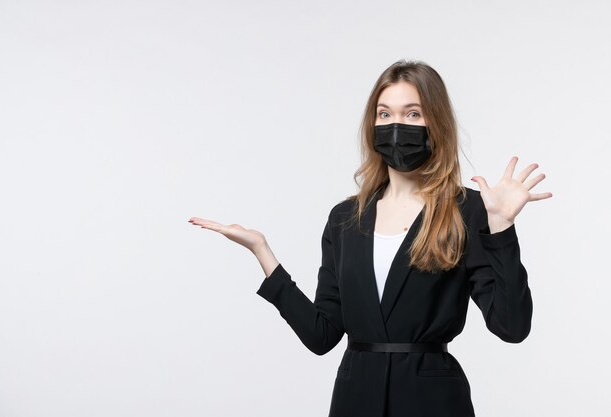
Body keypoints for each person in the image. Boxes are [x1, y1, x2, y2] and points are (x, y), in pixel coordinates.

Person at [188, 60, 552, 417]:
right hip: (355, 396)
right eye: (384, 114)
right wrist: (262, 252)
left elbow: (511, 326)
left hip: (432, 401)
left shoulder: (466, 210)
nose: (396, 126)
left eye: (412, 114)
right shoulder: (345, 219)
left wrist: (501, 226)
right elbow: (322, 335)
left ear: (436, 124)